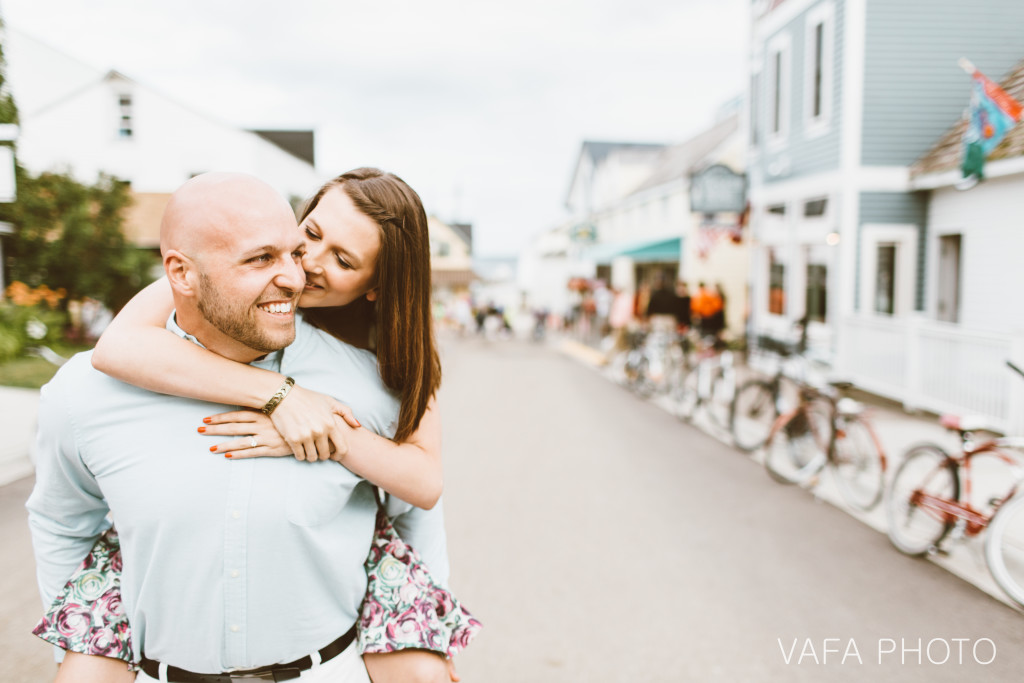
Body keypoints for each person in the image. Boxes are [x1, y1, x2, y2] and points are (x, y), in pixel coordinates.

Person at [28, 173, 469, 683]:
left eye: (344, 261)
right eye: (310, 236)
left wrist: (330, 433)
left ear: (375, 288)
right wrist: (281, 395)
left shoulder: (386, 372)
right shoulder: (112, 368)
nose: (304, 269)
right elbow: (119, 346)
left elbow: (419, 495)